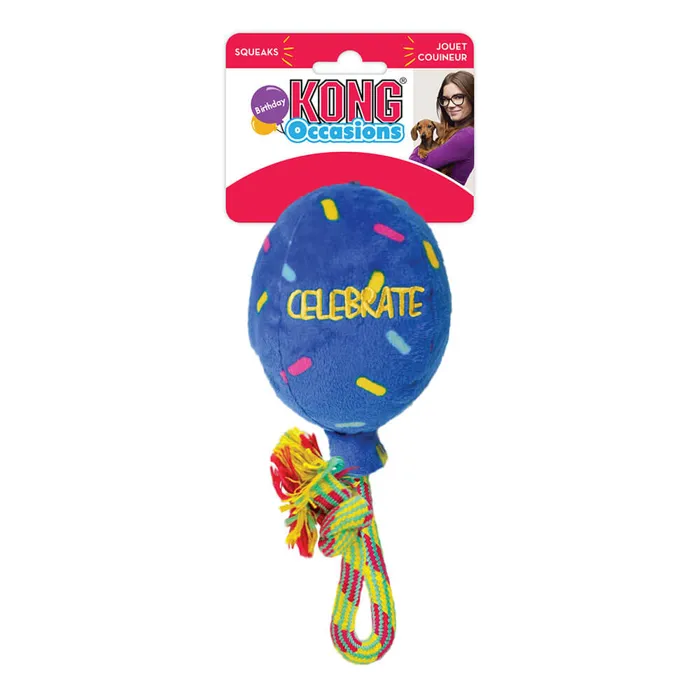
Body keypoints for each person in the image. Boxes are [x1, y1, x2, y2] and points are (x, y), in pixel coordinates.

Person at [409, 71, 474, 185]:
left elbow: (414, 166)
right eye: (445, 99)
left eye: (458, 97)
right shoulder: (450, 134)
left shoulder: (468, 135)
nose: (450, 105)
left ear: (472, 97)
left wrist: (420, 148)